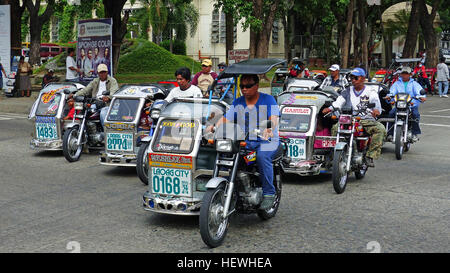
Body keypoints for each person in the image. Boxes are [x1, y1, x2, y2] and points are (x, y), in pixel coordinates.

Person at [206, 74, 280, 210]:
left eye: (248, 86)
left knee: (262, 156)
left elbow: (273, 118)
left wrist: (269, 128)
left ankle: (269, 193)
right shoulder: (238, 102)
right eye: (242, 86)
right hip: (246, 140)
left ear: (256, 86)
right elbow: (225, 119)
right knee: (227, 155)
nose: (244, 89)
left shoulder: (268, 99)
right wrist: (213, 127)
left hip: (267, 141)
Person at [322, 67, 386, 167]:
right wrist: (330, 108)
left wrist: (376, 110)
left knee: (380, 129)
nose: (353, 80)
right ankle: (336, 154)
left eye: (356, 78)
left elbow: (375, 102)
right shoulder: (347, 91)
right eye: (351, 78)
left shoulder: (370, 91)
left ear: (363, 78)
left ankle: (370, 156)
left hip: (366, 120)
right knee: (335, 128)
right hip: (349, 119)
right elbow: (339, 101)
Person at [386, 66, 426, 142]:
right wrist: (388, 96)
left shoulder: (414, 84)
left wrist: (422, 97)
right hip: (399, 105)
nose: (404, 75)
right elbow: (392, 92)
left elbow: (420, 92)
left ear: (410, 74)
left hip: (411, 105)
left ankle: (414, 133)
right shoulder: (396, 84)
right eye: (403, 73)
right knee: (391, 113)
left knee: (415, 115)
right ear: (401, 74)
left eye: (406, 74)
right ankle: (390, 134)